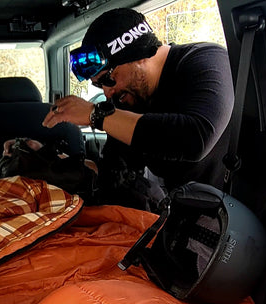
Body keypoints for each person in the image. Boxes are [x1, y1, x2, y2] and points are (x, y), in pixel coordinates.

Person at [42, 8, 234, 209]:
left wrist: (95, 115)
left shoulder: (205, 60)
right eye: (99, 85)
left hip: (233, 215)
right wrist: (50, 160)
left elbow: (196, 139)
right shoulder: (128, 100)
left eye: (108, 78)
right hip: (181, 212)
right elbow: (113, 170)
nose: (107, 92)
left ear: (138, 53)